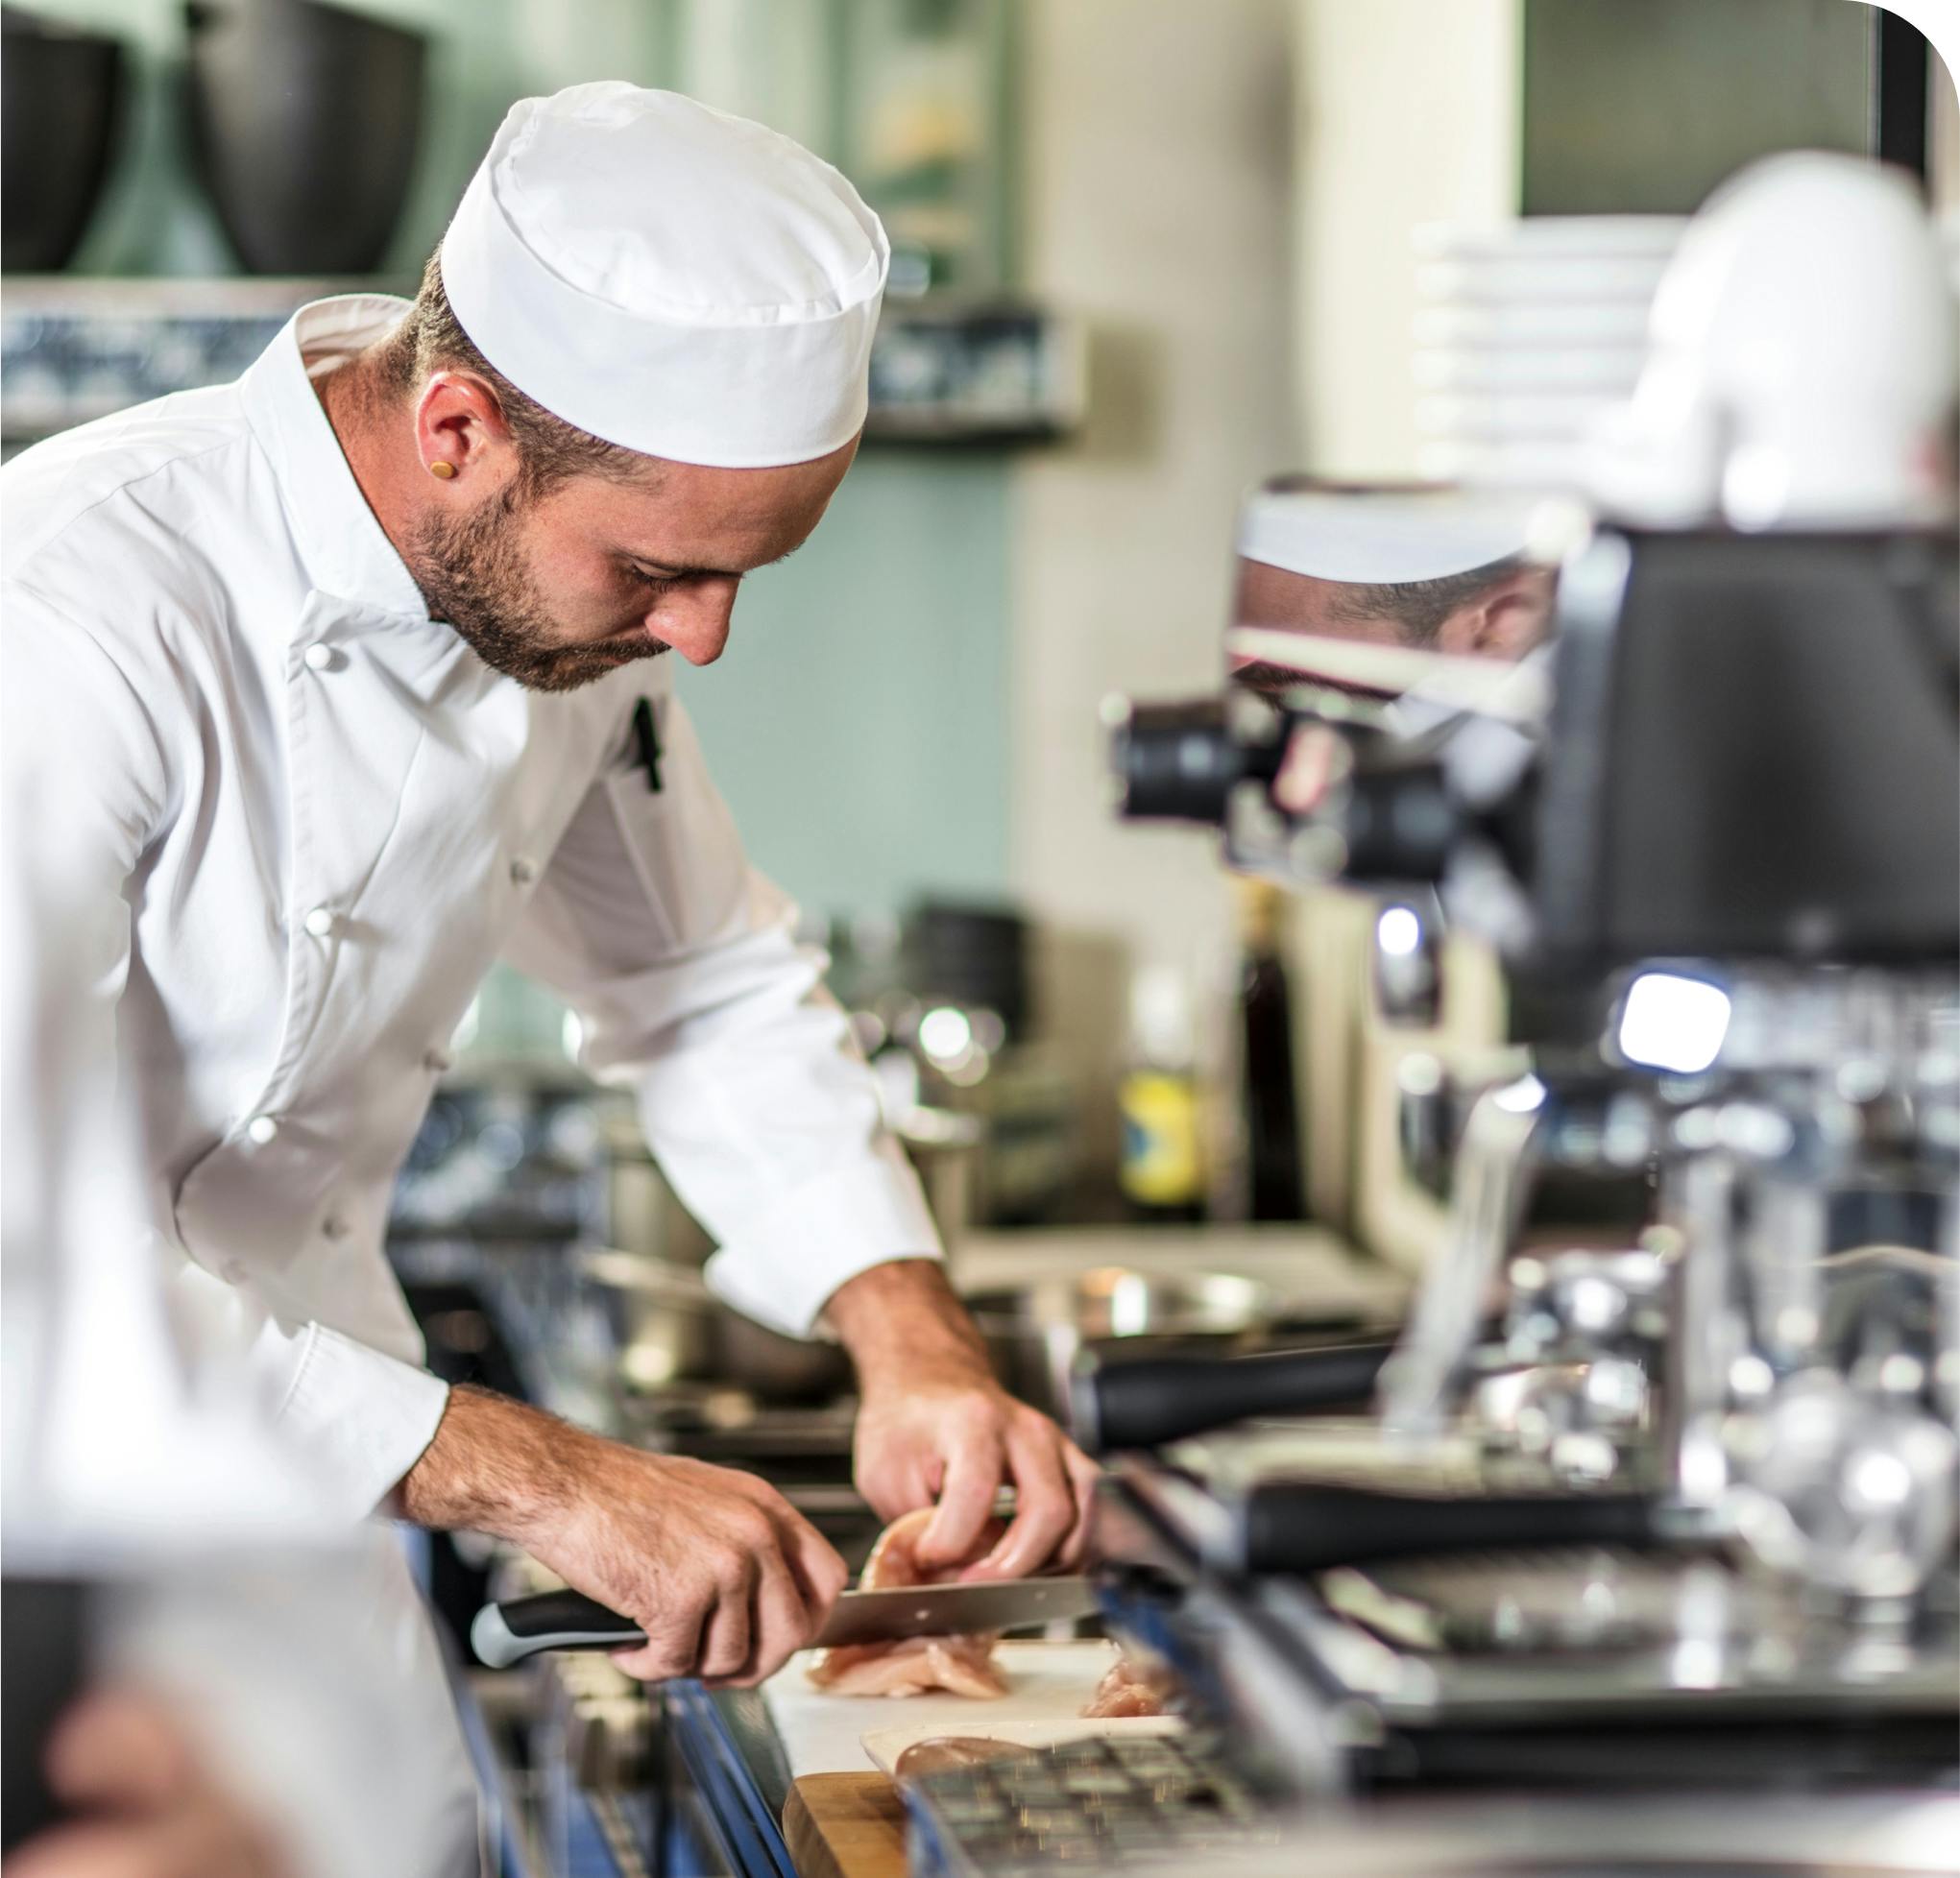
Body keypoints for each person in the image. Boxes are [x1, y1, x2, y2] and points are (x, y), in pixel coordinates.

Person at [2, 82, 1094, 1867]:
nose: (700, 637)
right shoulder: (68, 617)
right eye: (665, 572)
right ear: (458, 427)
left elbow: (698, 979)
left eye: (740, 575)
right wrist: (556, 1480)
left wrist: (915, 1343)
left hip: (306, 1503)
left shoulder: (563, 606)